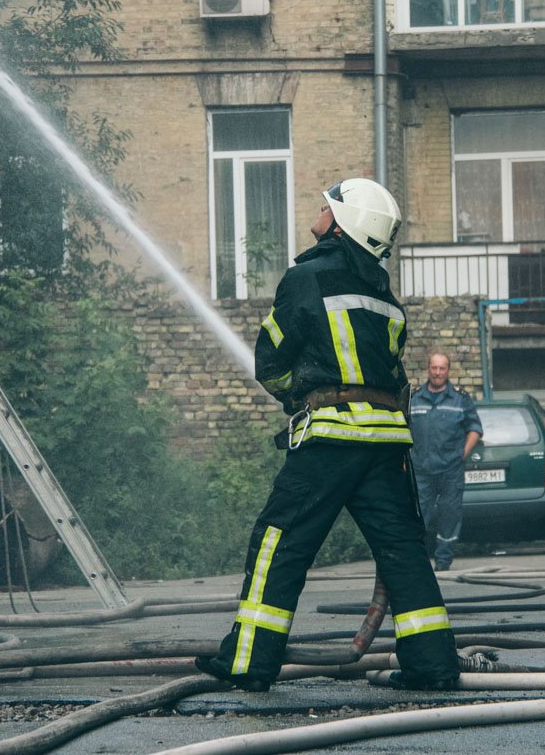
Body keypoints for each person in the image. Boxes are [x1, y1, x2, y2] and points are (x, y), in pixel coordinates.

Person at [195, 178, 460, 693]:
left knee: (279, 541)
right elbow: (392, 368)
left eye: (327, 207)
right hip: (387, 443)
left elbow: (271, 362)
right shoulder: (384, 295)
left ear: (341, 225)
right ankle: (433, 665)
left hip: (332, 438)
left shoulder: (305, 278)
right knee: (403, 551)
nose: (319, 212)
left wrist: (298, 399)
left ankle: (249, 662)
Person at [408, 352, 483, 572]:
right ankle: (417, 561)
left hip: (451, 470)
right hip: (421, 470)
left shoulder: (460, 398)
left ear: (448, 371)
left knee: (449, 516)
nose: (437, 373)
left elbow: (475, 429)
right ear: (428, 369)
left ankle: (443, 561)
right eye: (434, 368)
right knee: (417, 517)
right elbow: (403, 428)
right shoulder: (414, 398)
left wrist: (462, 454)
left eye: (442, 368)